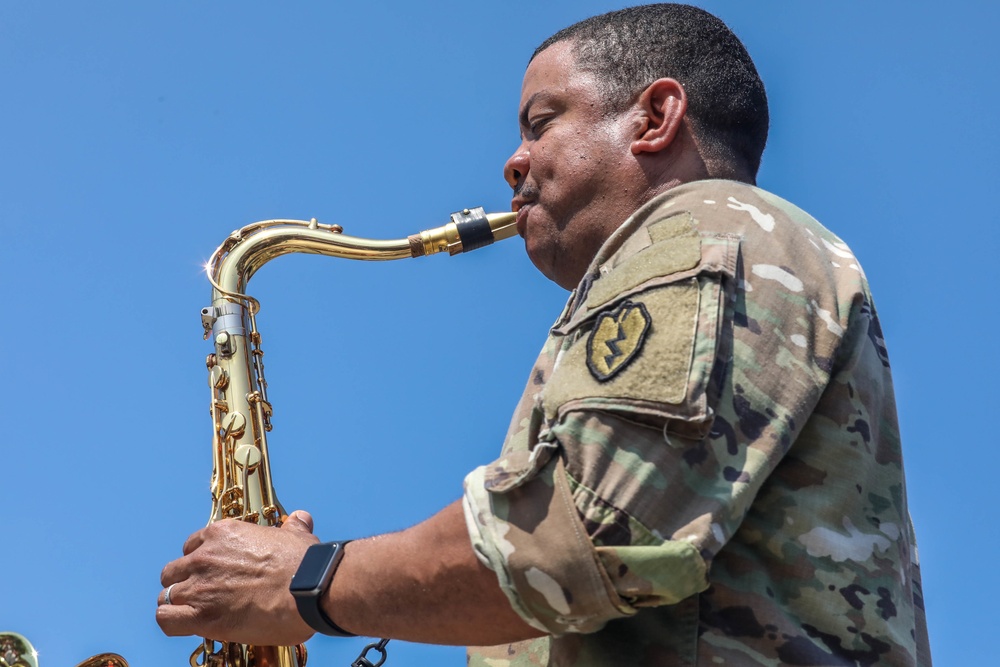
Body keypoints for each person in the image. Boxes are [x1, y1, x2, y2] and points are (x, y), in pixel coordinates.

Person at [157, 4, 932, 665]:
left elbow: (578, 538)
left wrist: (307, 578)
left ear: (656, 118)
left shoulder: (705, 226)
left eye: (541, 121)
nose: (513, 161)